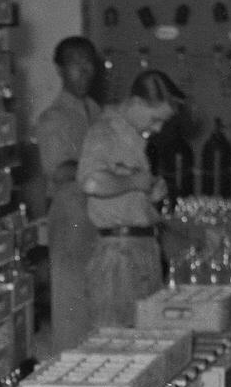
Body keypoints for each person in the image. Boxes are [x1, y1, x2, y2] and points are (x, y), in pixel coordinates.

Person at [76, 68, 185, 327]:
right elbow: (91, 182)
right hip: (118, 256)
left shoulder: (133, 137)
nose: (157, 128)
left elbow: (123, 188)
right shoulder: (105, 133)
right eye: (155, 119)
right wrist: (135, 181)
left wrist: (149, 193)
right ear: (136, 103)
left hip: (140, 249)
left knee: (146, 339)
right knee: (116, 344)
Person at [34, 35, 104, 205]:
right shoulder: (52, 118)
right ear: (60, 69)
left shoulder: (96, 110)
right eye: (75, 64)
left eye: (88, 62)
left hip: (96, 205)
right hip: (67, 208)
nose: (83, 70)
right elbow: (59, 172)